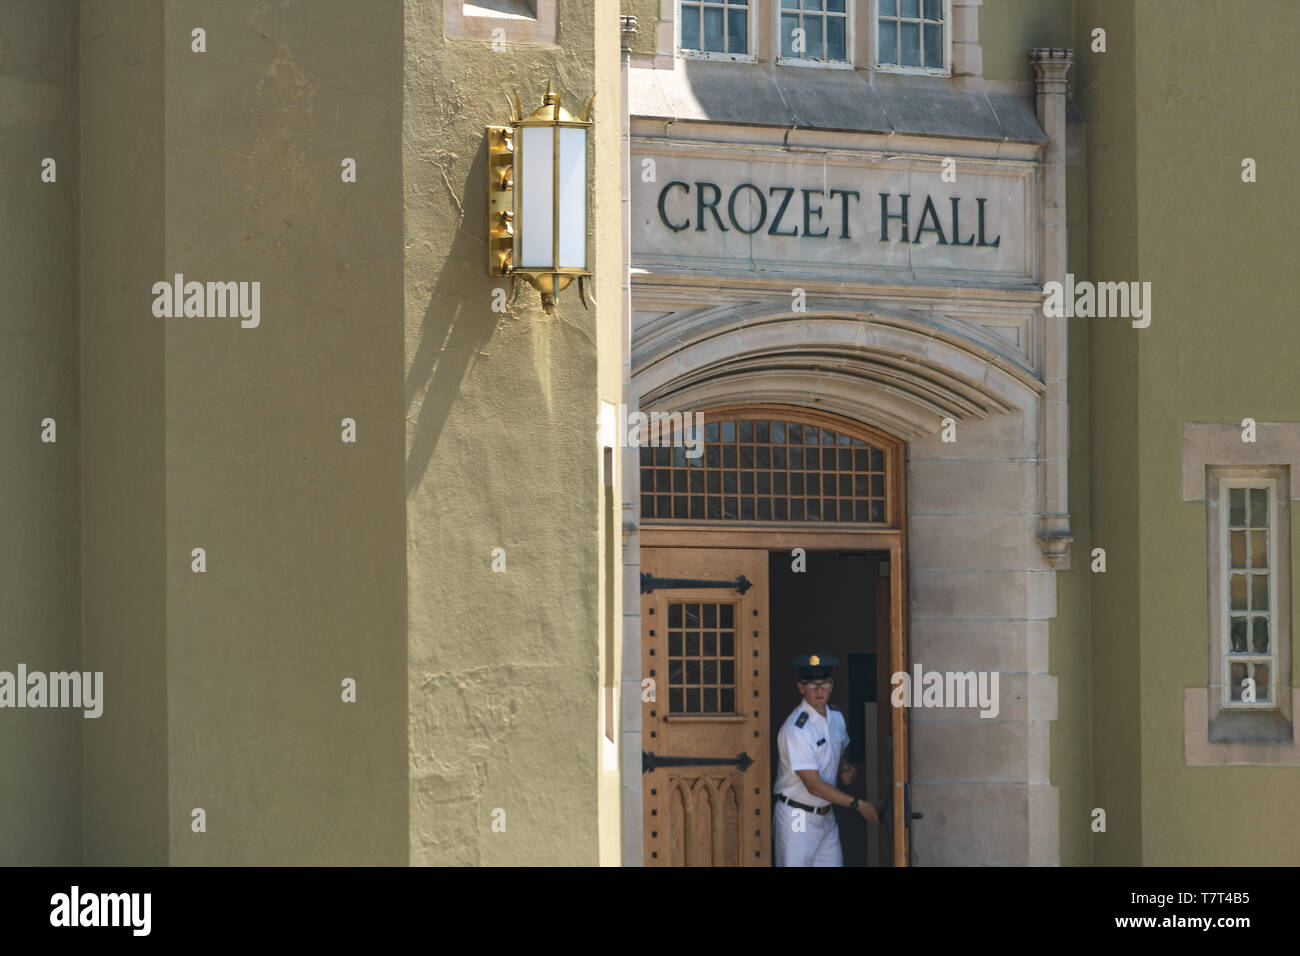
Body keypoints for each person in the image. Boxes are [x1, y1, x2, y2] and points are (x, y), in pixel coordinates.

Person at [773, 653, 879, 866]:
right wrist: (858, 804)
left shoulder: (835, 717)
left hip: (825, 816)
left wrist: (845, 769)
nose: (819, 690)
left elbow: (836, 754)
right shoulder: (796, 729)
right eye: (812, 684)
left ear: (832, 685)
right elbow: (813, 785)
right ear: (801, 687)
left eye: (824, 683)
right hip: (798, 817)